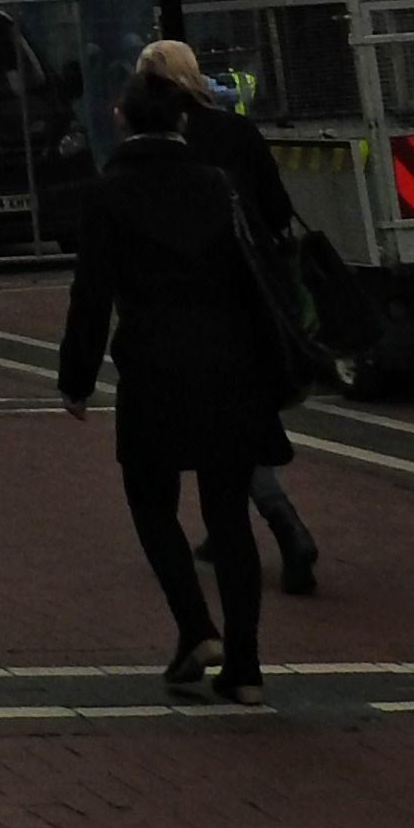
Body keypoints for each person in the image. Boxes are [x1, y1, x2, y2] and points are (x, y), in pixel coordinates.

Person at [58, 48, 291, 705]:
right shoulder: (220, 185)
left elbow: (91, 293)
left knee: (152, 501)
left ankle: (196, 628)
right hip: (229, 364)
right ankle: (243, 667)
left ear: (122, 121)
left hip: (155, 367)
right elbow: (258, 272)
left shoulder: (107, 194)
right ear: (182, 123)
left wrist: (74, 378)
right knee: (229, 516)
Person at [140, 34, 323, 595]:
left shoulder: (165, 143)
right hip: (254, 293)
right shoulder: (237, 131)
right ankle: (242, 528)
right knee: (239, 413)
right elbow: (274, 207)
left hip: (190, 301)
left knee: (216, 422)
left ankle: (281, 522)